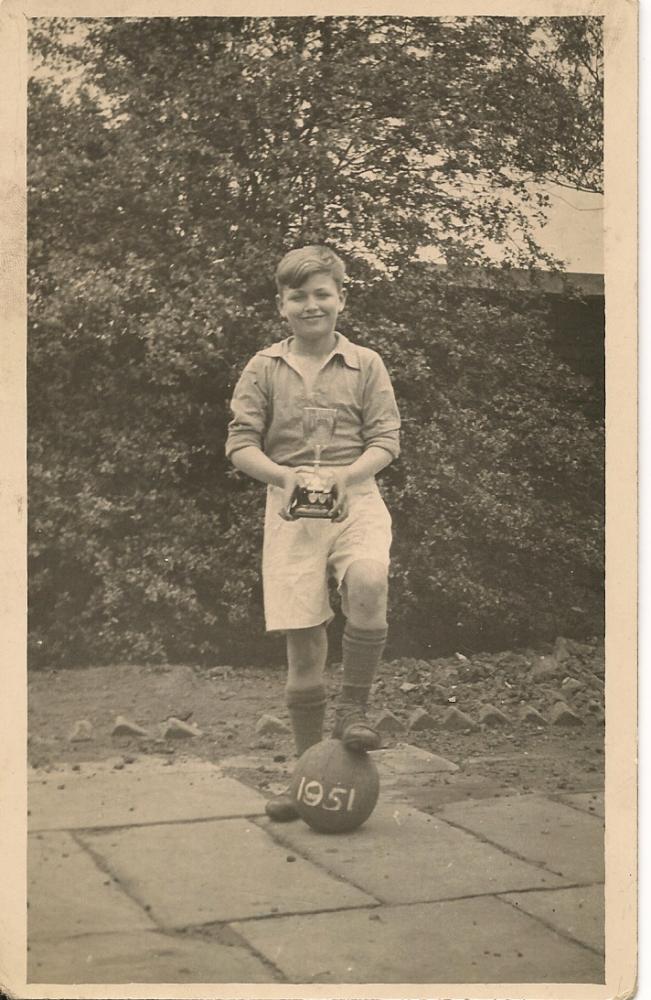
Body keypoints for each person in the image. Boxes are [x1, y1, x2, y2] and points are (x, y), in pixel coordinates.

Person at [225, 245, 401, 821]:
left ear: (341, 299)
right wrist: (285, 477)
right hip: (289, 512)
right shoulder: (263, 368)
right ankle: (307, 780)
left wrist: (346, 477)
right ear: (282, 305)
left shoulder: (367, 364)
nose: (311, 305)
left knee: (370, 581)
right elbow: (240, 445)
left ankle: (354, 711)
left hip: (356, 500)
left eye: (322, 293)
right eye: (298, 296)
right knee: (303, 649)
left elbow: (386, 441)